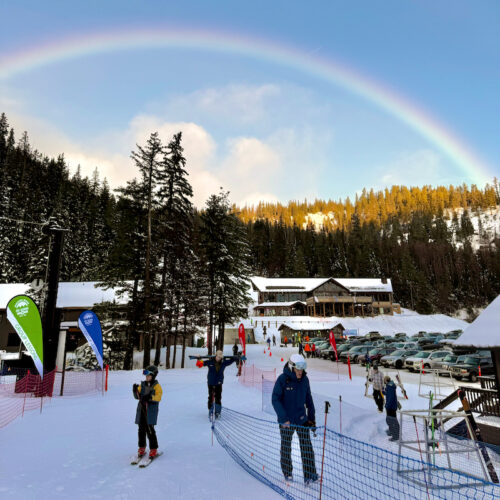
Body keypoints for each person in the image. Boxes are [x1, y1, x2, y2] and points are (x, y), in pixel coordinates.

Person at [272, 354, 318, 485]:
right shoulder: (283, 380)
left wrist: (312, 419)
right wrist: (283, 418)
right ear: (292, 367)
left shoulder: (305, 380)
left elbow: (309, 400)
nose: (300, 372)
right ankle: (287, 472)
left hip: (301, 419)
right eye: (298, 369)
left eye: (302, 369)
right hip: (286, 421)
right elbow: (275, 399)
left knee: (307, 447)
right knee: (286, 446)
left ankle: (309, 475)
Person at [133, 365, 163, 459]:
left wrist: (150, 398)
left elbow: (159, 397)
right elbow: (137, 396)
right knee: (141, 429)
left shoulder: (157, 386)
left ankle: (153, 448)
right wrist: (135, 390)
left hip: (150, 411)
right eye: (146, 376)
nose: (146, 377)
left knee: (150, 430)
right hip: (142, 410)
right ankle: (142, 447)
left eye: (148, 375)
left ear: (153, 376)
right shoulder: (143, 385)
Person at [197, 350, 237, 418]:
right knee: (211, 397)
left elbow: (231, 360)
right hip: (211, 382)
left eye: (220, 357)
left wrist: (237, 357)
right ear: (216, 356)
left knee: (218, 397)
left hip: (219, 382)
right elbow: (199, 365)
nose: (219, 358)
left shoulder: (224, 363)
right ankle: (211, 411)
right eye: (218, 357)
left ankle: (217, 412)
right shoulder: (210, 362)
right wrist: (199, 359)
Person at [383, 375, 400, 441]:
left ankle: (395, 436)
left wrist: (387, 406)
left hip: (391, 407)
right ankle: (391, 431)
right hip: (392, 406)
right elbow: (388, 394)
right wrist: (383, 392)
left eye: (384, 381)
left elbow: (390, 398)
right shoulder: (390, 386)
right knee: (391, 420)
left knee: (391, 421)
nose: (384, 382)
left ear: (386, 380)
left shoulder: (389, 387)